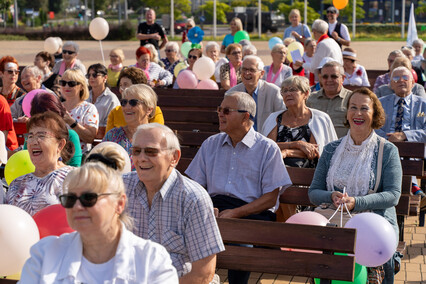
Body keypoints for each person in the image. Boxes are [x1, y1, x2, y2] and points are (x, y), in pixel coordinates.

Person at [186, 92, 291, 284]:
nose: (220, 114)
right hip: (214, 209)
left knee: (240, 242)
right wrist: (207, 208)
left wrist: (235, 213)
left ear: (246, 116)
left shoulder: (267, 148)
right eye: (219, 109)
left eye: (226, 110)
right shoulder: (211, 144)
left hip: (252, 214)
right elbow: (194, 187)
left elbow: (269, 198)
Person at [19, 160, 179, 283]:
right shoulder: (44, 255)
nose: (77, 206)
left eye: (89, 198)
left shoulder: (151, 260)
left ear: (119, 204)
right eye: (70, 199)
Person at [309, 87, 402, 284]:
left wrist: (356, 202)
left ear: (374, 114)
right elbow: (314, 192)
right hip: (334, 219)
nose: (357, 114)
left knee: (363, 245)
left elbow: (393, 195)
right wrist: (331, 196)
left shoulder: (388, 150)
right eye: (353, 107)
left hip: (374, 222)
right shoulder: (331, 149)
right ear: (347, 112)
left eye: (364, 108)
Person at [123, 123, 225, 282]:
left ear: (174, 158)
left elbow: (203, 273)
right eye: (136, 151)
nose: (141, 158)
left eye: (151, 151)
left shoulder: (193, 199)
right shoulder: (121, 188)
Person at [6, 111, 74, 216]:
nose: (33, 142)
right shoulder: (17, 183)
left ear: (60, 144)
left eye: (41, 135)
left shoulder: (76, 178)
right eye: (30, 136)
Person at [262, 76, 338, 165]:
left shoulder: (319, 118)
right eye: (285, 91)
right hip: (276, 171)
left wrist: (287, 152)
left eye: (293, 89)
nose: (288, 94)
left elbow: (315, 151)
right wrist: (297, 144)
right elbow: (266, 147)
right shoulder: (274, 118)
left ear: (305, 94)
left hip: (309, 174)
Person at [103, 84, 156, 170]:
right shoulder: (112, 135)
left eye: (133, 103)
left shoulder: (157, 137)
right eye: (124, 102)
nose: (127, 107)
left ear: (149, 109)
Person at [227, 55, 286, 132]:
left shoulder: (273, 92)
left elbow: (282, 121)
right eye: (244, 69)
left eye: (251, 70)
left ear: (261, 74)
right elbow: (226, 121)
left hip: (265, 140)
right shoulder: (232, 93)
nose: (247, 73)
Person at [27, 92, 82, 167]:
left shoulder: (71, 135)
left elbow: (75, 168)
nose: (42, 120)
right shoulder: (31, 139)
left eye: (49, 116)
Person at [105, 67, 164, 134]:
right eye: (120, 85)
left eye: (125, 84)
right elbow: (108, 141)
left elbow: (156, 136)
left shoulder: (153, 111)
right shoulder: (115, 112)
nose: (121, 89)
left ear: (138, 87)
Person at [376, 66, 426, 142]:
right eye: (396, 78)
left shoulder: (423, 104)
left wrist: (405, 135)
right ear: (391, 85)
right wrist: (387, 138)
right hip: (385, 145)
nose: (401, 80)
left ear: (412, 83)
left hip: (414, 147)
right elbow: (371, 126)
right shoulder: (380, 103)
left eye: (405, 77)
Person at [306, 61, 352, 138]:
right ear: (320, 79)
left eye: (334, 76)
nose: (329, 80)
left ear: (343, 78)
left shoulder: (352, 99)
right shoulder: (309, 99)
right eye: (325, 77)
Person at [60, 69, 99, 153]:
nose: (66, 86)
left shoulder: (88, 108)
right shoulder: (57, 106)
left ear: (81, 86)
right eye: (63, 83)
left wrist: (71, 122)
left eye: (71, 84)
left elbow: (90, 138)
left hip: (80, 156)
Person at [86, 63, 120, 134]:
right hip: (85, 135)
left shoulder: (111, 98)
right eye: (89, 75)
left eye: (95, 75)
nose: (91, 78)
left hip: (104, 137)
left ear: (105, 78)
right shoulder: (85, 96)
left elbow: (112, 123)